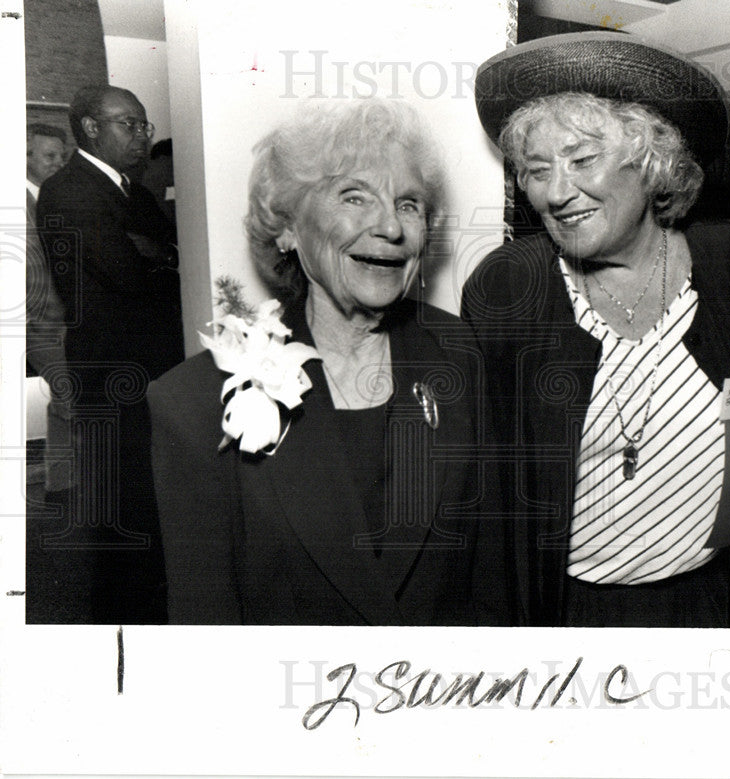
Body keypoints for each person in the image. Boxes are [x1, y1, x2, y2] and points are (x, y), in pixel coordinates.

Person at [464, 32, 730, 628]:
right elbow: (486, 491)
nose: (556, 192)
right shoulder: (507, 289)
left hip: (719, 601)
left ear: (653, 159)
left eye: (582, 160)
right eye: (536, 170)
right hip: (565, 612)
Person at [148, 99, 504, 625]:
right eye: (354, 196)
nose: (390, 226)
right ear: (288, 228)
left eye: (408, 204)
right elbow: (207, 632)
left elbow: (489, 582)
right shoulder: (194, 403)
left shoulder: (459, 355)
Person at [35, 85, 183, 623]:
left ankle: (149, 608)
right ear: (91, 128)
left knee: (149, 497)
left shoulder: (134, 194)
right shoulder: (68, 190)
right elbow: (129, 274)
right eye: (129, 124)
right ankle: (120, 627)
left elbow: (171, 254)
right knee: (122, 505)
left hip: (152, 366)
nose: (142, 136)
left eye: (144, 125)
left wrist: (161, 256)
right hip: (113, 372)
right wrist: (162, 260)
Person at [25, 124, 71, 494]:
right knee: (69, 393)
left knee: (65, 398)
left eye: (62, 156)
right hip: (34, 322)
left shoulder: (56, 198)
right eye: (49, 156)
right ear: (25, 158)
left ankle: (62, 484)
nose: (58, 163)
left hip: (64, 318)